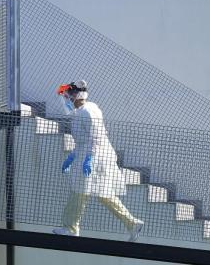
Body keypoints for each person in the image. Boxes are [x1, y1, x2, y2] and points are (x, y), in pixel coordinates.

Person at [53, 80, 144, 241]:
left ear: (76, 95)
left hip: (96, 158)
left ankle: (71, 228)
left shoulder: (88, 111)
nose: (66, 99)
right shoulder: (79, 112)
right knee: (102, 194)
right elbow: (83, 140)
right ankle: (132, 223)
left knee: (79, 192)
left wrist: (88, 158)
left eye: (68, 95)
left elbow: (97, 137)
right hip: (89, 155)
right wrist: (72, 156)